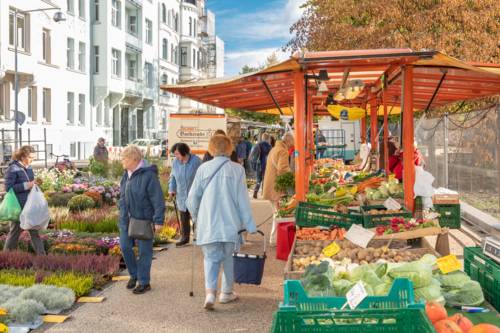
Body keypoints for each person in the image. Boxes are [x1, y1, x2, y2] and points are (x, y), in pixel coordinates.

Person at [186, 134, 257, 310]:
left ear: (211, 148)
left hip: (208, 223)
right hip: (231, 224)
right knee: (230, 258)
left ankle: (210, 293)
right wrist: (250, 225)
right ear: (229, 148)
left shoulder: (203, 169)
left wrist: (196, 217)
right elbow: (242, 200)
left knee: (210, 258)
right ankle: (226, 293)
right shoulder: (237, 169)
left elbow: (192, 199)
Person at [118, 145, 165, 294]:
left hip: (144, 220)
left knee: (145, 252)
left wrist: (158, 221)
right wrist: (122, 211)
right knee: (125, 247)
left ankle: (144, 282)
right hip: (127, 219)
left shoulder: (148, 175)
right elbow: (123, 196)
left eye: (124, 158)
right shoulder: (126, 174)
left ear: (134, 158)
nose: (122, 161)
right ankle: (134, 274)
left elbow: (158, 199)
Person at [3, 146, 45, 255]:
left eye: (33, 158)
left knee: (34, 231)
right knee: (15, 232)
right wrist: (28, 185)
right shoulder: (13, 168)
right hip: (18, 206)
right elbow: (8, 188)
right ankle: (6, 256)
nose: (32, 160)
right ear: (22, 156)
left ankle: (43, 257)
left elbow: (30, 184)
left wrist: (35, 184)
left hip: (30, 206)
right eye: (30, 157)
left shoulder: (29, 168)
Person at [263, 132, 294, 245]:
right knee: (278, 214)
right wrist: (293, 176)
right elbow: (283, 168)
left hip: (270, 186)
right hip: (275, 188)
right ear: (289, 141)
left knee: (276, 213)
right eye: (292, 143)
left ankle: (274, 238)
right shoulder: (282, 151)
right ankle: (274, 239)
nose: (292, 146)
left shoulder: (274, 149)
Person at [168, 142, 202, 247]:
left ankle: (199, 236)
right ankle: (185, 238)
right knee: (184, 217)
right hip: (182, 194)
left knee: (197, 216)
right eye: (175, 154)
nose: (176, 156)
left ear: (184, 152)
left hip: (195, 194)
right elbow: (172, 177)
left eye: (177, 154)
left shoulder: (196, 161)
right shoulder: (175, 162)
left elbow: (202, 176)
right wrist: (171, 189)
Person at [250, 133, 272, 199]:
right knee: (265, 180)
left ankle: (255, 192)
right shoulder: (269, 146)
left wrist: (253, 166)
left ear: (262, 138)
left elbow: (252, 157)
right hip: (266, 166)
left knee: (258, 180)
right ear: (268, 138)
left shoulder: (257, 145)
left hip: (258, 165)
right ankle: (264, 193)